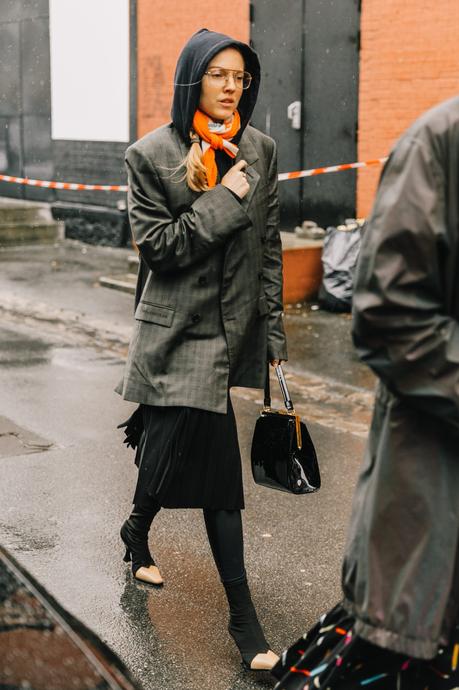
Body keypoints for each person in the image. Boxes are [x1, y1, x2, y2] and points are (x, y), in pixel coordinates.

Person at [272, 96, 459, 688]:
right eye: (219, 76)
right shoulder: (440, 143)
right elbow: (390, 319)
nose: (230, 87)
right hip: (436, 511)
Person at [115, 28, 287, 672]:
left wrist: (274, 335)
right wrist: (226, 196)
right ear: (193, 77)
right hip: (175, 331)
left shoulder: (260, 149)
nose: (230, 87)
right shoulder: (150, 155)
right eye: (218, 74)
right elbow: (161, 247)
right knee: (213, 471)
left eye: (239, 77)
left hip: (231, 330)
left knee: (170, 449)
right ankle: (245, 624)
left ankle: (136, 532)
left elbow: (268, 244)